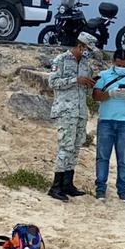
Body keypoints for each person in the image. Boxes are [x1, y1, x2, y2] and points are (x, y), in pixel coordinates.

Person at [46, 31, 102, 202]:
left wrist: (90, 82)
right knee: (65, 147)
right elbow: (53, 83)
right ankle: (55, 187)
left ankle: (67, 183)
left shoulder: (85, 64)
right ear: (80, 45)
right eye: (87, 49)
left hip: (80, 112)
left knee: (76, 147)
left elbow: (84, 86)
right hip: (66, 111)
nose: (88, 53)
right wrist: (75, 80)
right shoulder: (60, 60)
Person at [92, 47, 125, 203]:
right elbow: (96, 96)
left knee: (123, 158)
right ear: (113, 62)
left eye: (124, 65)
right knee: (102, 157)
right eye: (119, 64)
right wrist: (109, 93)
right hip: (106, 121)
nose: (121, 68)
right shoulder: (104, 75)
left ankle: (123, 190)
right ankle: (100, 189)